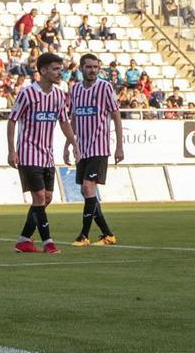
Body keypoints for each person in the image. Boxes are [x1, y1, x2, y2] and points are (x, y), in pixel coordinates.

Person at [9, 52, 80, 254]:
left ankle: (24, 239)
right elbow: (12, 120)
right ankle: (48, 242)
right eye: (56, 69)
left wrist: (74, 144)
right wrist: (12, 150)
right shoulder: (27, 93)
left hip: (47, 156)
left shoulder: (58, 95)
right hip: (28, 154)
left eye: (60, 69)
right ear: (43, 71)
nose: (60, 72)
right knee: (39, 197)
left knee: (46, 198)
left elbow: (64, 122)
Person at [68, 54, 123, 246]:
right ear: (81, 68)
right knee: (87, 193)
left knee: (87, 187)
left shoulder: (105, 87)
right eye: (89, 67)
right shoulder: (75, 90)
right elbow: (74, 118)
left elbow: (116, 116)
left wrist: (119, 146)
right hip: (82, 148)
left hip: (99, 147)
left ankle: (83, 235)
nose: (93, 70)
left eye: (96, 67)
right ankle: (108, 234)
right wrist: (69, 143)